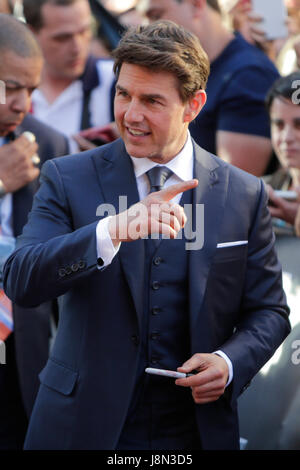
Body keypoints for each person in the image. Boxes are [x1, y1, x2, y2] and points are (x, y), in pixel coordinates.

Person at [3, 20, 290, 451]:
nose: (130, 114)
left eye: (151, 100)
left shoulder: (243, 193)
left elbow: (269, 311)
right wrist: (110, 231)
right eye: (123, 94)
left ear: (194, 105)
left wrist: (228, 363)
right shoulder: (67, 175)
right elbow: (21, 280)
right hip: (79, 426)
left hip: (194, 431)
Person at [0, 13, 69, 449]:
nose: (22, 104)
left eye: (31, 89)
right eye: (9, 87)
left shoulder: (51, 146)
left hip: (22, 358)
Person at [141, 0, 280, 177]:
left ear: (196, 5)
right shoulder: (182, 69)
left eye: (156, 15)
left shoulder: (249, 75)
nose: (146, 28)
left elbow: (231, 188)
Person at [238, 72, 300, 450]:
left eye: (299, 124)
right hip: (264, 365)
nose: (287, 136)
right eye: (278, 123)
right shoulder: (254, 193)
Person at [22, 0, 116, 152]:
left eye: (84, 31)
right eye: (62, 38)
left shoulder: (117, 80)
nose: (77, 47)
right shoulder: (8, 86)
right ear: (31, 34)